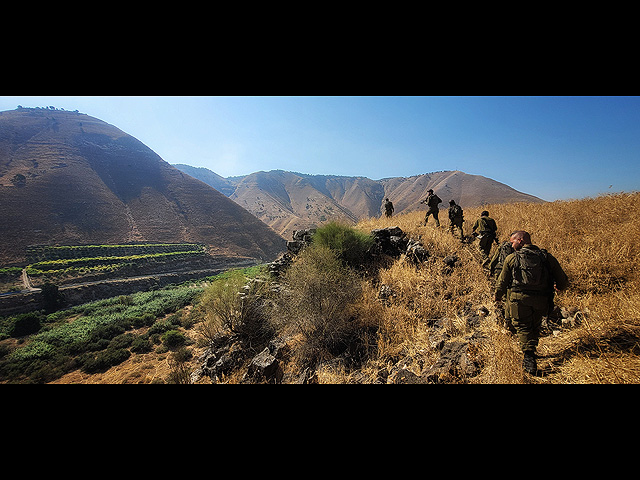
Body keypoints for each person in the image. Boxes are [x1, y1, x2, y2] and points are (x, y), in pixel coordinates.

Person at [494, 230, 569, 374]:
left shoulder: (512, 258)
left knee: (523, 327)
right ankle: (532, 349)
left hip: (518, 301)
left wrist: (497, 296)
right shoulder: (546, 257)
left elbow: (502, 282)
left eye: (512, 241)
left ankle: (529, 357)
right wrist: (559, 287)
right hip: (542, 301)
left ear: (520, 240)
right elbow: (562, 280)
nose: (511, 244)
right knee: (535, 325)